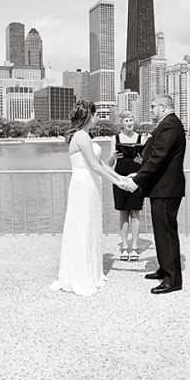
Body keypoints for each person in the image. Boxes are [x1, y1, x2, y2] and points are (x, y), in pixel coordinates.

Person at [50, 100, 127, 297]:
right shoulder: (81, 136)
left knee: (91, 226)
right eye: (96, 114)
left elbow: (100, 163)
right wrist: (117, 183)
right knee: (82, 227)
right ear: (88, 116)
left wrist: (119, 177)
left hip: (92, 185)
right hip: (83, 185)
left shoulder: (86, 136)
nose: (97, 118)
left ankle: (91, 272)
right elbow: (94, 165)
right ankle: (80, 275)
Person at [124, 94, 186, 295]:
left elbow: (157, 159)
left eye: (152, 107)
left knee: (166, 232)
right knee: (161, 232)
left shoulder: (169, 126)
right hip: (162, 188)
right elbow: (154, 157)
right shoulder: (168, 124)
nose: (151, 110)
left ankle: (172, 280)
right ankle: (164, 268)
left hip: (166, 189)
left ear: (163, 107)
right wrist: (138, 174)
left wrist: (136, 181)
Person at [108, 110, 147, 262]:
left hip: (136, 178)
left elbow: (147, 162)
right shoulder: (115, 138)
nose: (129, 123)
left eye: (131, 120)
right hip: (120, 179)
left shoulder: (141, 138)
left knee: (135, 212)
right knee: (123, 212)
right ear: (121, 122)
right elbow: (110, 163)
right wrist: (113, 156)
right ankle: (124, 246)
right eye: (126, 121)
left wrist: (140, 162)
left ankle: (135, 246)